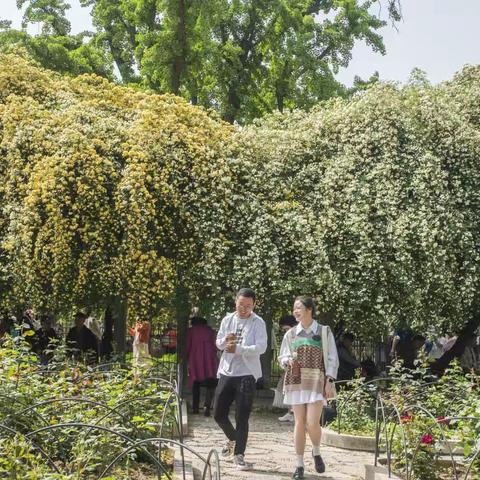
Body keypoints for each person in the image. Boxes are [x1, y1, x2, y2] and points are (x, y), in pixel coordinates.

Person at [278, 296, 339, 480]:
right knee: (299, 422)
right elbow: (282, 358)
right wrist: (287, 360)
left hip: (316, 382)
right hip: (296, 381)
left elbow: (331, 358)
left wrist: (329, 380)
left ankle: (316, 451)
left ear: (309, 309)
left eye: (299, 308)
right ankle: (299, 465)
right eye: (294, 308)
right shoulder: (290, 334)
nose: (295, 311)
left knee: (312, 422)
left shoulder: (324, 331)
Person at [213, 287, 268, 471]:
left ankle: (239, 454)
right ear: (235, 301)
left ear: (253, 304)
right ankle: (233, 438)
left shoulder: (258, 322)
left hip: (247, 373)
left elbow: (261, 347)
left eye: (248, 305)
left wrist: (240, 349)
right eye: (241, 304)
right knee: (218, 413)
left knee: (242, 416)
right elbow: (219, 341)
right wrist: (225, 342)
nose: (244, 308)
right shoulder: (227, 319)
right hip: (227, 371)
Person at [187, 316, 219, 417]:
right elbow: (216, 346)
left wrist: (186, 357)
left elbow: (188, 345)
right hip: (210, 360)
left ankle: (195, 408)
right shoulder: (210, 331)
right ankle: (207, 406)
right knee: (211, 384)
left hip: (196, 359)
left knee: (196, 384)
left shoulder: (191, 331)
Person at [275, 315, 298, 422]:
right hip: (290, 366)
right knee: (289, 390)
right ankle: (290, 412)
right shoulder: (289, 335)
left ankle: (293, 413)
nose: (286, 332)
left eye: (286, 329)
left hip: (297, 367)